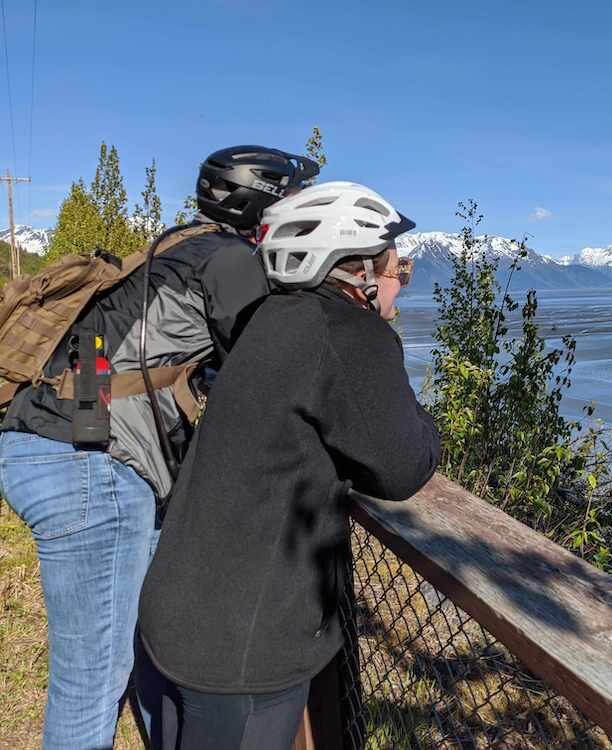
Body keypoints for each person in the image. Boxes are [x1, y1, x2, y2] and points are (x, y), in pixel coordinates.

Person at [0, 145, 319, 749]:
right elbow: (270, 369)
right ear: (268, 203)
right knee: (92, 681)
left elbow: (99, 361)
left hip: (50, 443)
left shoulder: (173, 248)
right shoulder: (230, 261)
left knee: (144, 646)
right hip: (89, 470)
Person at [138, 181, 439, 749]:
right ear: (360, 275)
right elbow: (404, 465)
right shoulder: (350, 333)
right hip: (240, 658)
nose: (403, 283)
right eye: (401, 269)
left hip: (176, 619)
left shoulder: (269, 321)